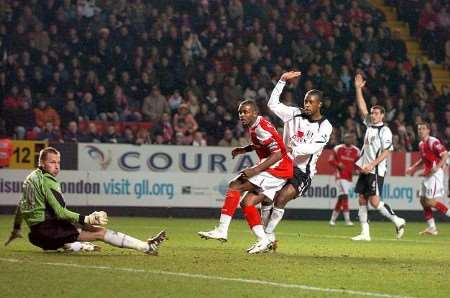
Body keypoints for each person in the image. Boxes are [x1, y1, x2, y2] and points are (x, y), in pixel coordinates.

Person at [4, 147, 166, 254]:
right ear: (42, 163)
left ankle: (74, 245)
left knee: (87, 227)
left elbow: (21, 205)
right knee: (99, 232)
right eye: (52, 162)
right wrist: (86, 218)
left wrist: (17, 228)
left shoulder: (31, 178)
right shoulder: (48, 180)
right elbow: (61, 213)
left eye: (58, 162)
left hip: (37, 236)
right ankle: (147, 247)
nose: (56, 166)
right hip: (49, 232)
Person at [198, 100, 293, 254]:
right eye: (240, 112)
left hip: (277, 168)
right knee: (247, 203)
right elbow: (263, 145)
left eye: (246, 112)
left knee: (235, 185)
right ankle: (264, 240)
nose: (242, 115)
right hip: (279, 169)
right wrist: (244, 149)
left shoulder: (261, 128)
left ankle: (222, 230)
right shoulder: (256, 125)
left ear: (255, 113)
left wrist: (255, 170)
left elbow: (277, 153)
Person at [260, 71, 332, 249]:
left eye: (311, 102)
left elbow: (313, 147)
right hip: (283, 165)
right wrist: (282, 81)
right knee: (266, 198)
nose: (306, 105)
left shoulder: (325, 126)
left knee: (281, 198)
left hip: (302, 172)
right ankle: (267, 236)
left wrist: (291, 148)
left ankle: (267, 236)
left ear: (319, 104)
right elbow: (272, 104)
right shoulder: (293, 113)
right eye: (306, 101)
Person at [352, 74, 405, 241]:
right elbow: (362, 108)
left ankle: (398, 220)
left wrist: (371, 165)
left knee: (375, 202)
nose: (372, 115)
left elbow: (387, 152)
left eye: (376, 113)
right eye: (372, 112)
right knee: (361, 198)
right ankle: (365, 233)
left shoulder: (385, 131)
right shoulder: (369, 125)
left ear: (382, 116)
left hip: (375, 169)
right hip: (365, 168)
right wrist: (358, 89)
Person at [406, 122, 449, 235]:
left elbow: (445, 155)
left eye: (423, 129)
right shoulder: (421, 144)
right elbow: (423, 159)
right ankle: (432, 227)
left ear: (428, 130)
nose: (421, 131)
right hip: (427, 174)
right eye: (419, 129)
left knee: (429, 201)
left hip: (435, 175)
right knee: (422, 200)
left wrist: (438, 167)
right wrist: (413, 167)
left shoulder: (433, 142)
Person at [329, 133, 360, 226]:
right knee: (345, 196)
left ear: (353, 140)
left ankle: (332, 220)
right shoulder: (338, 148)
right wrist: (338, 164)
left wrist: (357, 170)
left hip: (349, 177)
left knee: (341, 198)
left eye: (350, 138)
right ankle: (347, 220)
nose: (348, 139)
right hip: (340, 176)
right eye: (346, 138)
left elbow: (358, 164)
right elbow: (330, 160)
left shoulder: (356, 151)